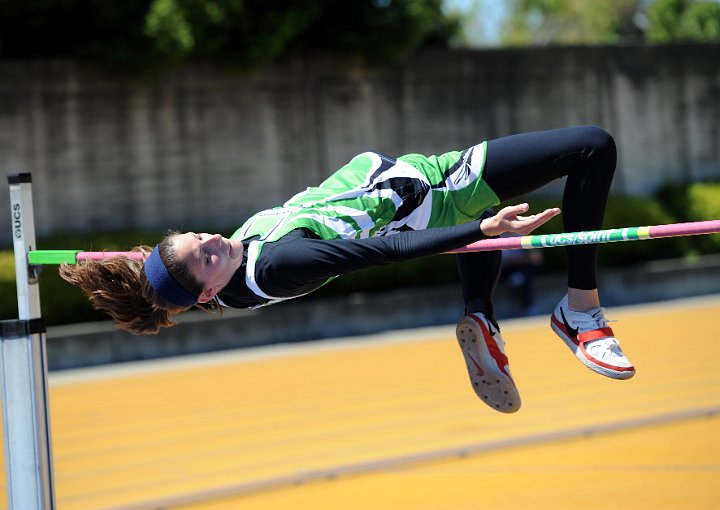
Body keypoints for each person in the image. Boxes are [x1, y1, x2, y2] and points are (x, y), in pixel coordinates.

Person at [60, 125, 635, 414]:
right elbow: (376, 254)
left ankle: (480, 315)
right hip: (439, 189)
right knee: (592, 147)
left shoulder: (209, 276)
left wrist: (134, 267)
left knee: (491, 209)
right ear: (211, 293)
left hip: (416, 182)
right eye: (206, 255)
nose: (213, 240)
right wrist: (478, 234)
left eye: (196, 236)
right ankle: (579, 311)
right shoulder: (282, 263)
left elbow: (167, 273)